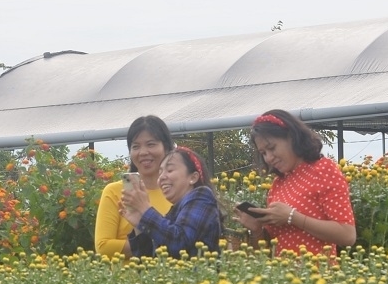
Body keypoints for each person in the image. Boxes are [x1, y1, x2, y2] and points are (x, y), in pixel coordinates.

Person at [236, 109, 356, 258]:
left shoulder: (323, 170)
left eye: (272, 148)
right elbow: (271, 249)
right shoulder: (278, 184)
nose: (268, 158)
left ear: (292, 137)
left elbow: (347, 234)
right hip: (282, 277)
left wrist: (293, 217)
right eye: (263, 153)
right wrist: (256, 230)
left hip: (316, 277)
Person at [121, 146, 222, 258]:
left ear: (193, 177)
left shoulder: (202, 196)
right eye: (160, 173)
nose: (162, 177)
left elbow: (180, 242)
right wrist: (139, 224)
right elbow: (147, 260)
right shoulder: (173, 214)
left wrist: (145, 209)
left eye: (169, 170)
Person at [94, 116, 174, 256]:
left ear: (166, 147)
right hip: (127, 277)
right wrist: (148, 246)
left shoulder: (178, 191)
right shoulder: (115, 192)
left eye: (151, 144)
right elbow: (103, 246)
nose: (143, 152)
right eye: (135, 146)